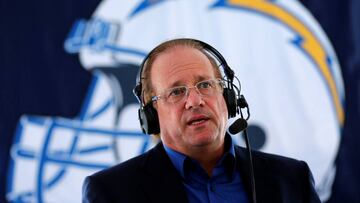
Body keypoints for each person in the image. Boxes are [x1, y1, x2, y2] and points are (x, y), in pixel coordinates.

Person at [82, 38, 321, 203]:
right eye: (176, 92)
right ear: (151, 115)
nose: (195, 100)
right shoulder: (111, 192)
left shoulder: (292, 178)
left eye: (205, 85)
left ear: (228, 98)